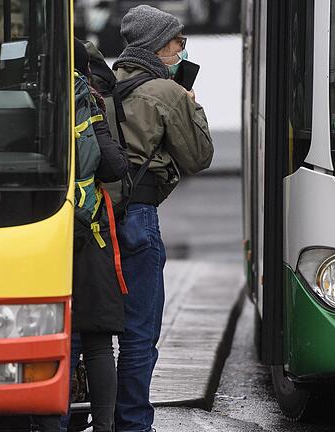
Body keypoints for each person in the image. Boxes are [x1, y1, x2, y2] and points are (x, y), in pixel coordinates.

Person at [110, 6, 213, 432]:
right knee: (138, 332)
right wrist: (192, 105)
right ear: (156, 45)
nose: (181, 49)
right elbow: (199, 156)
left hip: (93, 215)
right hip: (138, 216)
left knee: (86, 330)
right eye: (177, 42)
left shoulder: (101, 83)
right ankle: (132, 422)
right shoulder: (165, 91)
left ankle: (68, 417)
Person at [64, 38, 130, 432]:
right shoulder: (85, 98)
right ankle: (104, 426)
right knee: (97, 340)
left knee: (58, 337)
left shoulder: (26, 93)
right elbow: (114, 165)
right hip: (87, 230)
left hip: (35, 225)